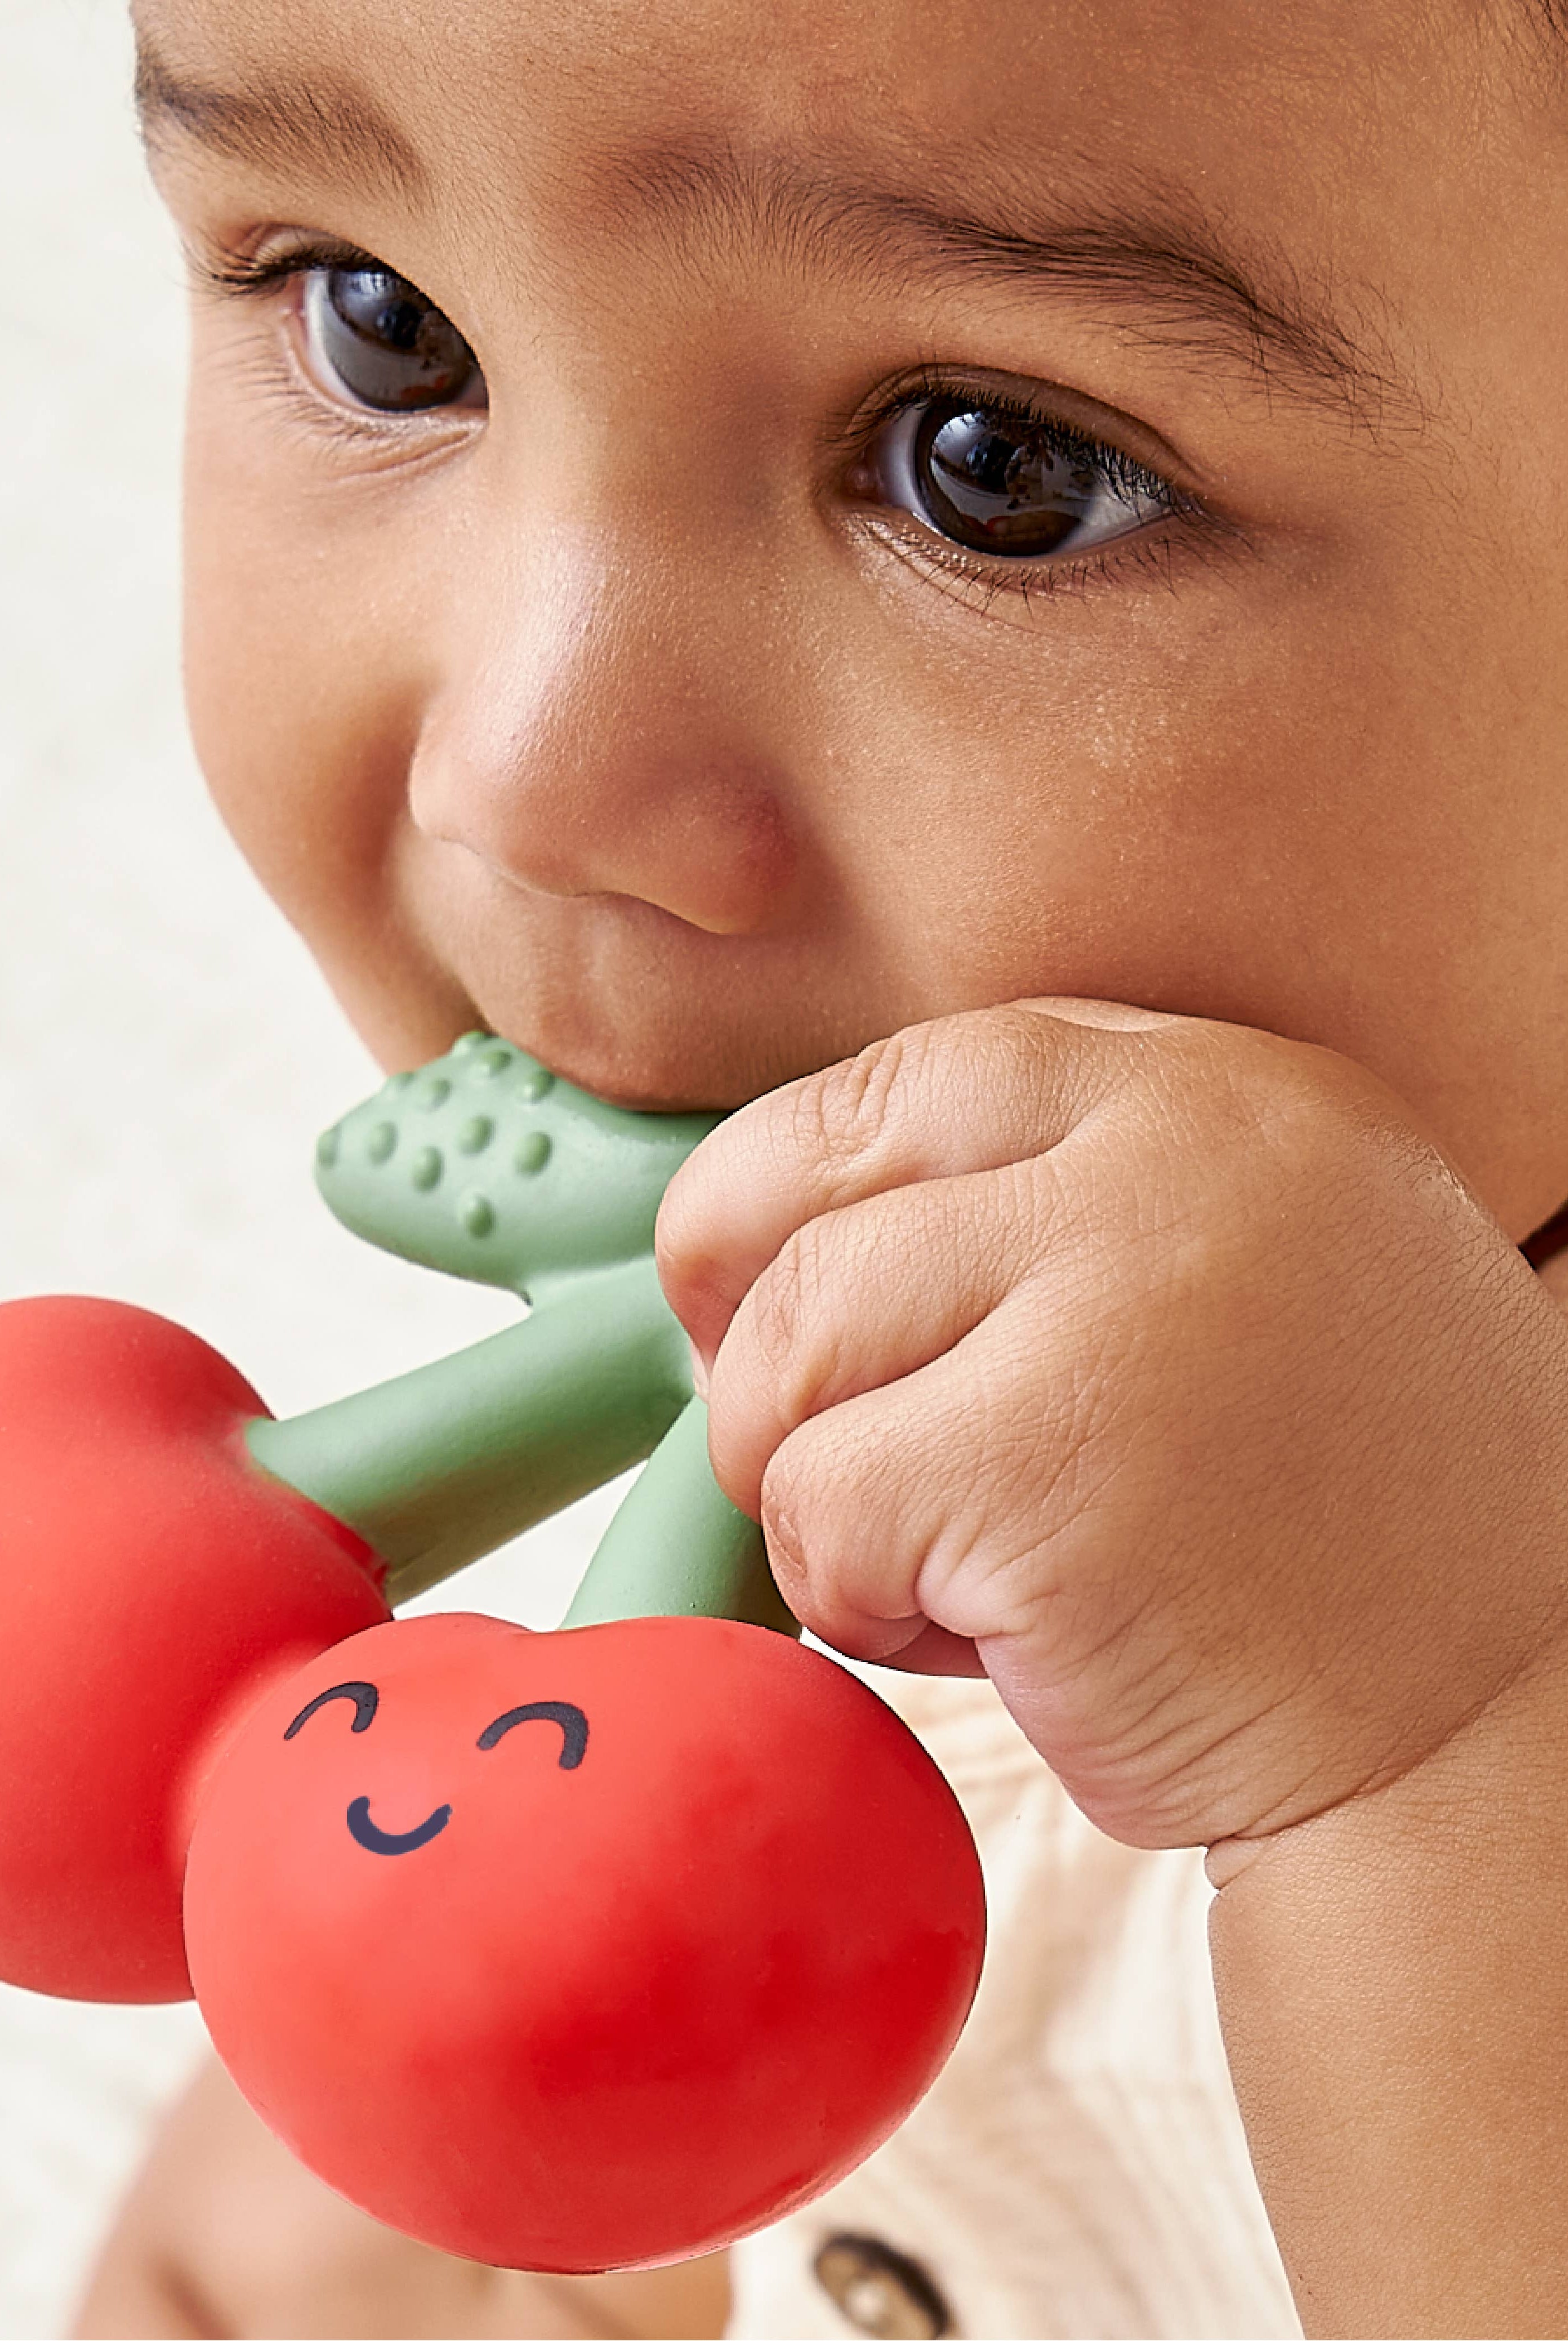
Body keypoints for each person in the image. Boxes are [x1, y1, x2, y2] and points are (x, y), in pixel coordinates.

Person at [72, 0, 1568, 2331]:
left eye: (996, 471)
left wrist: (1447, 1745)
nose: (523, 783)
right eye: (384, 329)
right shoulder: (778, 1507)